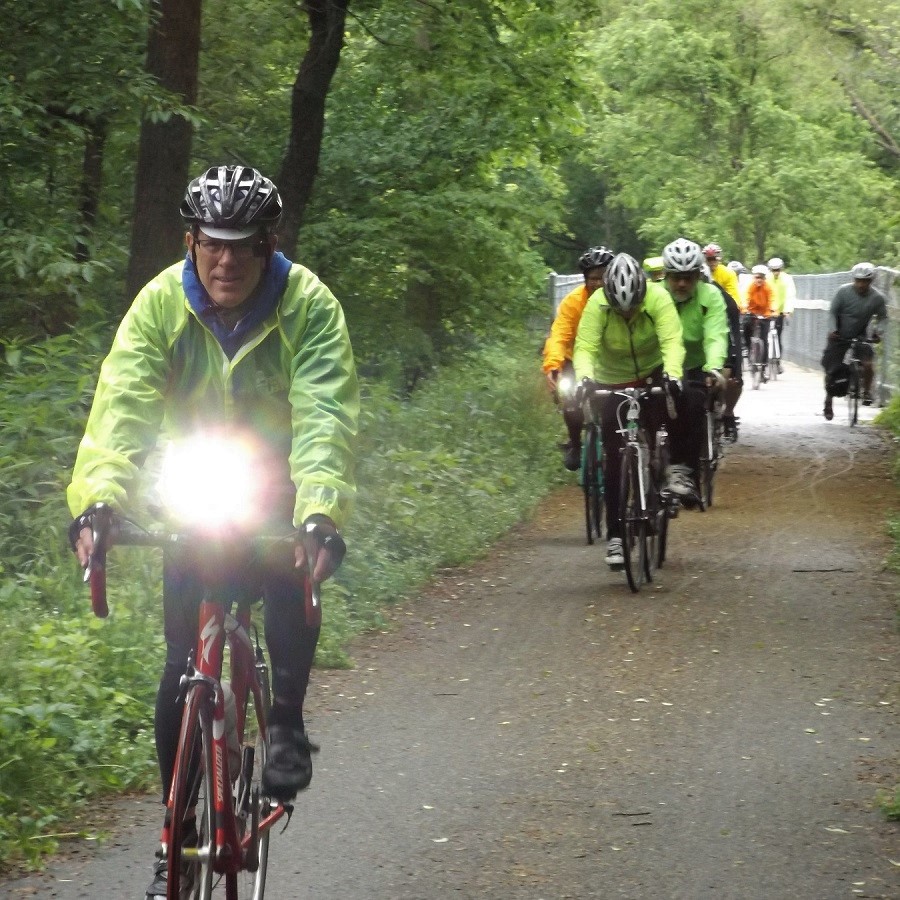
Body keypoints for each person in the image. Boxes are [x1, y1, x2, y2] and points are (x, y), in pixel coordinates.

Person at [66, 165, 359, 899]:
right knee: (181, 666)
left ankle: (286, 721)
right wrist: (99, 500)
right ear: (190, 241)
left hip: (277, 479)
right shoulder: (162, 303)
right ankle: (177, 831)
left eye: (242, 245)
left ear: (268, 244)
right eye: (211, 244)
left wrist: (319, 511)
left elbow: (326, 413)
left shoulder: (309, 305)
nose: (225, 262)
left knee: (290, 561)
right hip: (195, 482)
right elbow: (121, 404)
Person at [572, 253, 685, 567]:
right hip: (612, 380)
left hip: (651, 373)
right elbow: (585, 347)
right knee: (613, 456)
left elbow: (672, 341)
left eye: (633, 307)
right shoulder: (597, 305)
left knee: (671, 416)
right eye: (620, 309)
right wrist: (584, 377)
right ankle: (616, 537)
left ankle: (666, 475)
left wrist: (673, 375)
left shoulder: (659, 298)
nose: (627, 313)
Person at [661, 239, 730, 497]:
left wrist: (713, 368)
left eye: (688, 278)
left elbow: (715, 335)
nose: (681, 284)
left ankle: (686, 473)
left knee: (693, 404)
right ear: (666, 275)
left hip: (695, 363)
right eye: (676, 277)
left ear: (698, 276)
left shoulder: (710, 296)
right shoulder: (654, 295)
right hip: (661, 363)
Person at [542, 246, 614, 470]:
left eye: (603, 278)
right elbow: (559, 334)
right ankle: (575, 443)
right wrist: (553, 366)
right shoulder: (573, 302)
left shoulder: (620, 298)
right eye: (592, 279)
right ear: (585, 279)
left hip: (611, 360)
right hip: (576, 359)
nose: (598, 283)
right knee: (570, 399)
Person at [820, 261, 888, 420]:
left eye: (865, 281)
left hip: (861, 335)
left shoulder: (877, 298)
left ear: (871, 281)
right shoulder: (843, 292)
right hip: (839, 334)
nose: (861, 284)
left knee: (868, 363)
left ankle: (866, 392)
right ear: (853, 280)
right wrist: (833, 330)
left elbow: (883, 317)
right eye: (858, 280)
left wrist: (878, 332)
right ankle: (828, 400)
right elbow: (832, 312)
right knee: (832, 370)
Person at [701, 264, 743, 442]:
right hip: (693, 348)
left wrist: (733, 367)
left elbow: (732, 337)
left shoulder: (724, 301)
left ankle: (728, 414)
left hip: (721, 341)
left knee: (731, 379)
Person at [741, 264, 775, 371]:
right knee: (746, 329)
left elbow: (772, 299)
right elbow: (745, 297)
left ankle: (764, 366)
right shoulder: (750, 287)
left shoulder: (768, 288)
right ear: (753, 277)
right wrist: (745, 307)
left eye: (761, 277)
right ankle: (748, 348)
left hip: (765, 314)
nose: (759, 279)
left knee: (764, 339)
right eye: (757, 277)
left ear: (764, 278)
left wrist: (773, 309)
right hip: (752, 313)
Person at [767, 257, 795, 373]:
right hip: (767, 311)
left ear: (781, 269)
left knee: (777, 336)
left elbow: (790, 295)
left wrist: (787, 311)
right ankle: (762, 361)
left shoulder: (787, 279)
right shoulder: (766, 278)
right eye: (773, 270)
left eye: (777, 270)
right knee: (763, 335)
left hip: (780, 311)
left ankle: (778, 362)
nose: (776, 272)